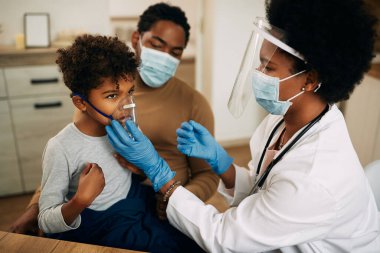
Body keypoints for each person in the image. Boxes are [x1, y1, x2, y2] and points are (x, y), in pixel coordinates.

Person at [106, 0, 380, 252]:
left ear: (310, 79)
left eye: (268, 68)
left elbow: (223, 237)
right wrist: (222, 163)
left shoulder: (315, 177)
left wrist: (157, 171)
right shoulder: (284, 119)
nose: (257, 74)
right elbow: (265, 189)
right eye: (259, 63)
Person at [10, 2, 218, 234]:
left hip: (165, 202)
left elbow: (207, 175)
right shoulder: (97, 96)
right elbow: (70, 160)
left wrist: (176, 198)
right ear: (137, 38)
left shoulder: (195, 103)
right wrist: (35, 207)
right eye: (157, 45)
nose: (165, 57)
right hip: (107, 212)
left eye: (175, 52)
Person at [37, 34, 203, 253]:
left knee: (194, 241)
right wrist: (81, 200)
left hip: (136, 202)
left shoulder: (126, 129)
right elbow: (45, 220)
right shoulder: (60, 148)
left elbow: (135, 174)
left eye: (130, 92)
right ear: (80, 102)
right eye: (112, 96)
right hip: (100, 224)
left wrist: (140, 172)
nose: (127, 105)